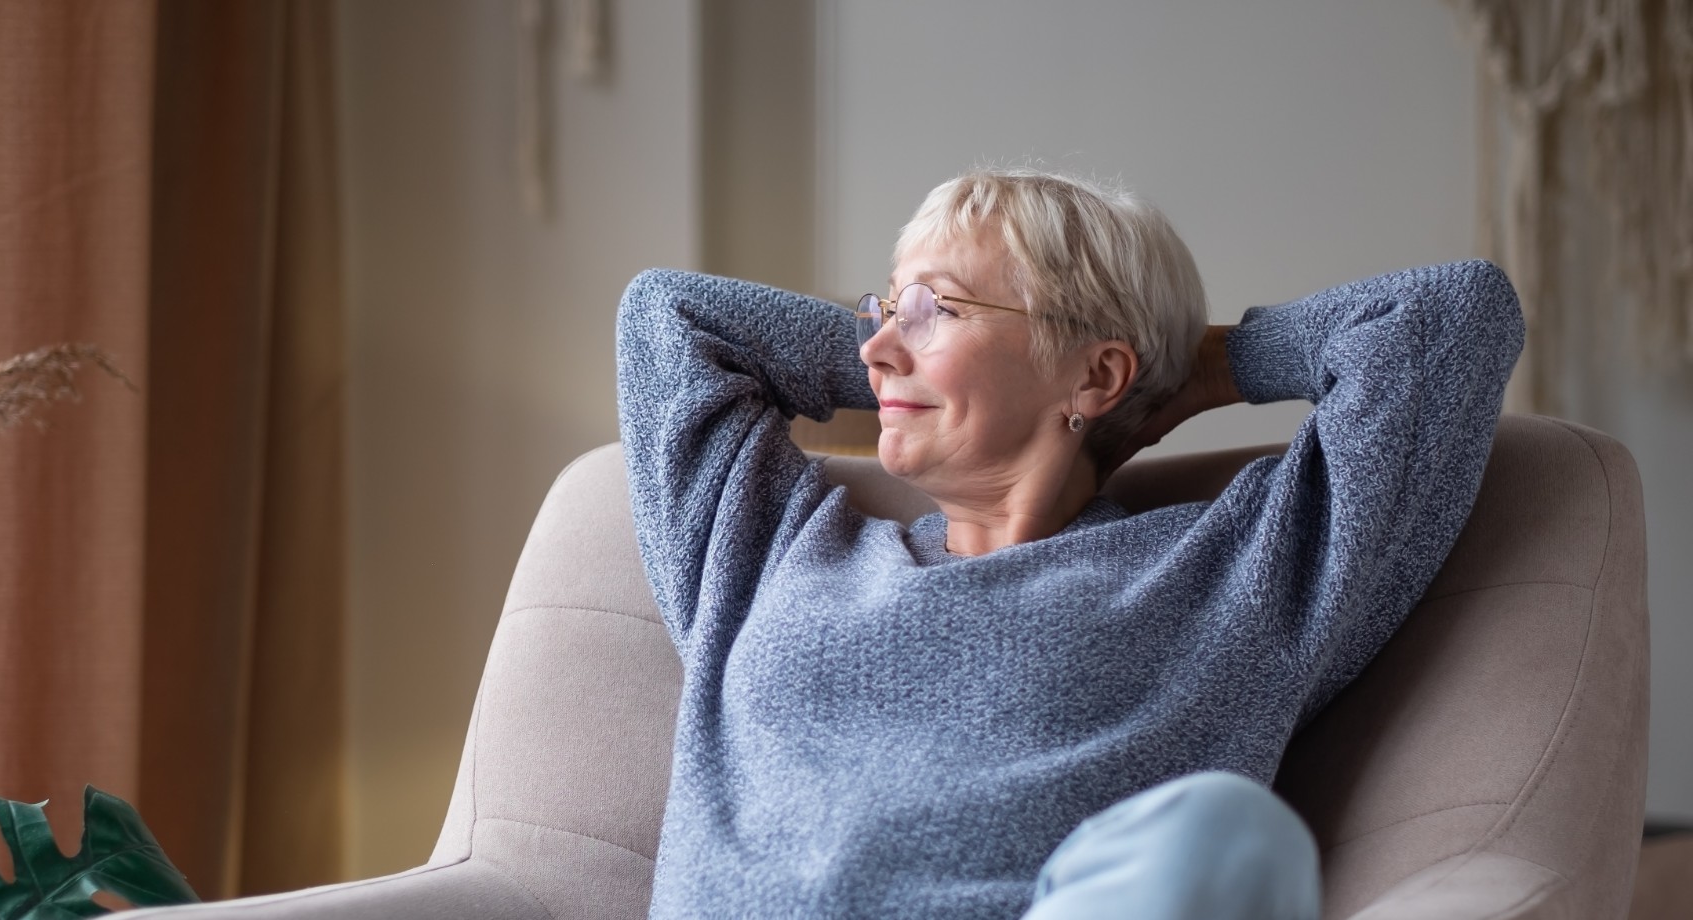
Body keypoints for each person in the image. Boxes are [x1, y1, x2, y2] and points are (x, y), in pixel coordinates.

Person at [614, 167, 1523, 920]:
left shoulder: (1225, 575)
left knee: (1229, 832)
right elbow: (668, 318)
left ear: (1095, 372)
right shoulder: (771, 546)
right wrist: (916, 342)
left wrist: (1196, 365)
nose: (877, 349)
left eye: (936, 309)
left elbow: (1449, 319)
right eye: (884, 309)